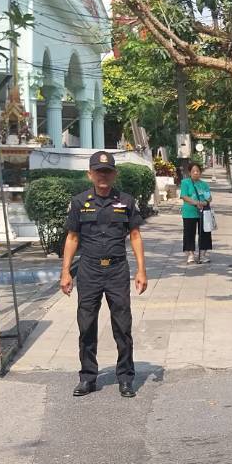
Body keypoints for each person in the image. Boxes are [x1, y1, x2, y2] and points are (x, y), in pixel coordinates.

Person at [60, 151, 148, 398]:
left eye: (107, 171)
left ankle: (126, 378)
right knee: (86, 325)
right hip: (89, 269)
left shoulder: (126, 201)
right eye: (99, 172)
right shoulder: (79, 202)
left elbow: (135, 236)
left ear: (114, 174)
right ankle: (87, 377)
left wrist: (141, 270)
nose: (103, 176)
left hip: (117, 270)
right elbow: (72, 238)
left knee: (122, 325)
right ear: (90, 174)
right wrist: (65, 272)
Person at [179, 161, 213, 265]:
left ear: (200, 172)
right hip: (189, 212)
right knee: (189, 233)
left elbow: (209, 197)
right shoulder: (185, 183)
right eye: (193, 171)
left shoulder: (204, 184)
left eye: (197, 171)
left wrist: (204, 202)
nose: (195, 173)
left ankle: (202, 255)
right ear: (190, 172)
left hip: (203, 212)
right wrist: (196, 203)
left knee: (205, 233)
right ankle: (191, 255)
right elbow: (184, 196)